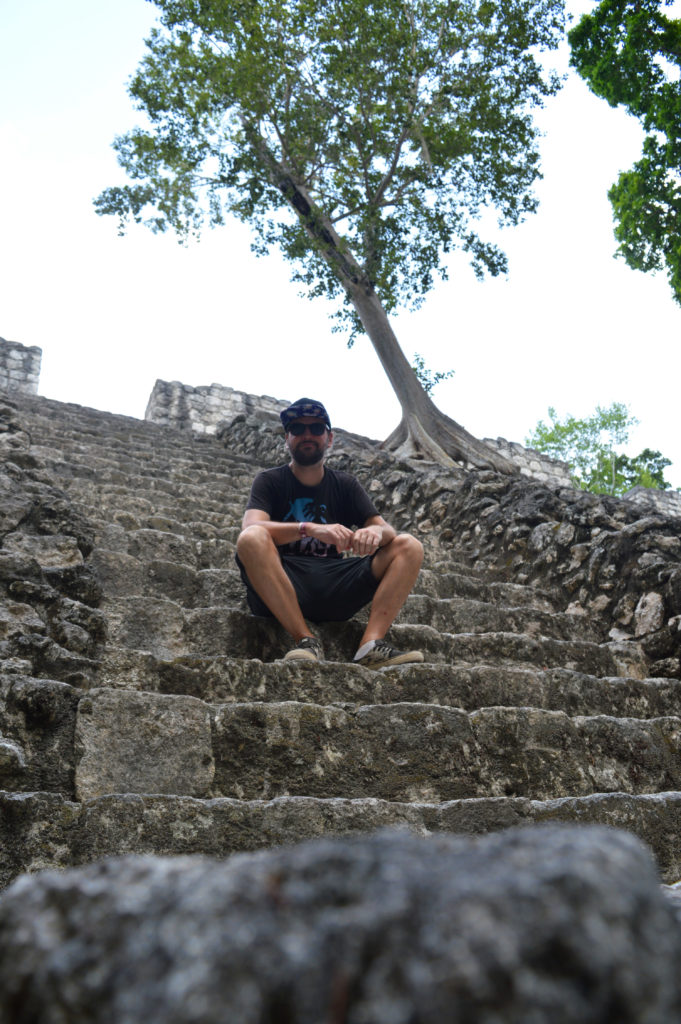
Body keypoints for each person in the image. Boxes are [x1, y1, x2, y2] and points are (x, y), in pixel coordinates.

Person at [235, 397, 425, 668]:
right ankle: (305, 640)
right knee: (251, 538)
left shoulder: (345, 485)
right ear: (286, 438)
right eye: (297, 429)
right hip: (283, 582)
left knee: (409, 545)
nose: (307, 435)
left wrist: (373, 534)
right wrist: (310, 528)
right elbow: (251, 526)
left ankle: (370, 645)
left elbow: (386, 529)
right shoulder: (270, 480)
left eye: (316, 428)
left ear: (330, 437)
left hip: (335, 584)